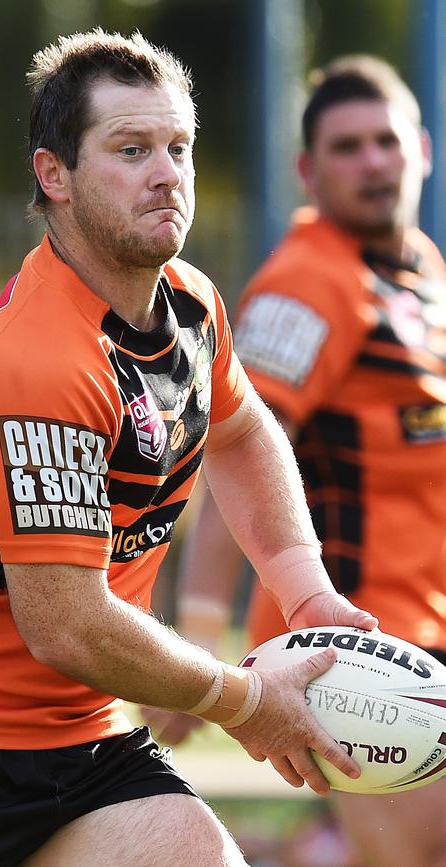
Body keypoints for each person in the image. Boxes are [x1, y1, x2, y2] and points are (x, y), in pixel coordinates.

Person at [0, 30, 378, 867]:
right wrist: (243, 699)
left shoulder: (190, 304)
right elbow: (68, 625)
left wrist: (306, 591)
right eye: (132, 149)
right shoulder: (37, 362)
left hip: (88, 742)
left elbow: (244, 431)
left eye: (178, 146)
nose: (167, 172)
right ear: (53, 176)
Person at [144, 55, 446, 867]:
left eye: (386, 140)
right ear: (309, 171)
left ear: (420, 147)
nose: (373, 161)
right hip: (358, 650)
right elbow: (237, 451)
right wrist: (203, 631)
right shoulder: (307, 285)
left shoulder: (420, 271)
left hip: (426, 633)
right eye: (347, 147)